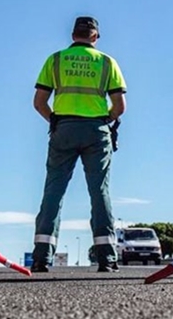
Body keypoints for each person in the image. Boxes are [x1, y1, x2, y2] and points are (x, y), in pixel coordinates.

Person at [30, 16, 127, 273]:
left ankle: (41, 257)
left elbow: (39, 102)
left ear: (73, 35)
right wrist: (105, 120)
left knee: (53, 191)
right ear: (95, 36)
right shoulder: (107, 62)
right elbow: (120, 106)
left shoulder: (56, 59)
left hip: (64, 129)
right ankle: (106, 258)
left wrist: (56, 121)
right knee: (99, 192)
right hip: (96, 130)